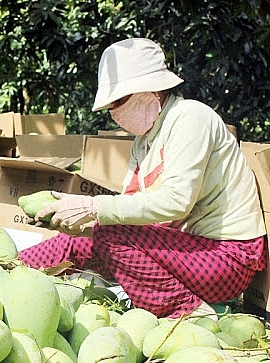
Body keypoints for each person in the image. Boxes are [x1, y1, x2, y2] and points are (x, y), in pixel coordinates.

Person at [18, 38, 267, 320]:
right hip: (188, 251)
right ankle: (12, 269)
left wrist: (92, 208)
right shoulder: (143, 142)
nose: (114, 113)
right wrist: (77, 220)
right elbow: (130, 210)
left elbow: (176, 202)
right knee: (79, 241)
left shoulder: (190, 118)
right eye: (111, 106)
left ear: (152, 90)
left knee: (108, 233)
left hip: (227, 258)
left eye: (120, 102)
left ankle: (189, 313)